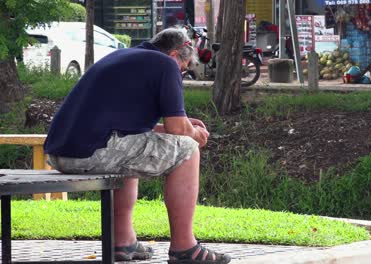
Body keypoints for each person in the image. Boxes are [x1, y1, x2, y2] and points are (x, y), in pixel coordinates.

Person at [44, 27, 231, 264]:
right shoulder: (166, 65)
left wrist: (182, 125)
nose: (180, 75)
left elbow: (134, 128)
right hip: (91, 152)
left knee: (134, 147)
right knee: (188, 149)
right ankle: (185, 248)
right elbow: (177, 129)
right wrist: (193, 132)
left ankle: (122, 242)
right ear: (175, 55)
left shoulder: (124, 57)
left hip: (60, 152)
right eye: (183, 70)